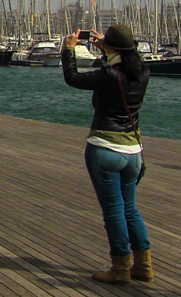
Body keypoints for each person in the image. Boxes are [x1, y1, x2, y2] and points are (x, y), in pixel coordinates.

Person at [61, 25, 152, 286]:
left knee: (113, 210)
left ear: (112, 49)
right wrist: (106, 48)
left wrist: (69, 51)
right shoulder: (143, 72)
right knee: (130, 208)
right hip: (133, 151)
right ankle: (143, 265)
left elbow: (73, 78)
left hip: (105, 147)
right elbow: (124, 63)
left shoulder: (109, 75)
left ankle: (120, 267)